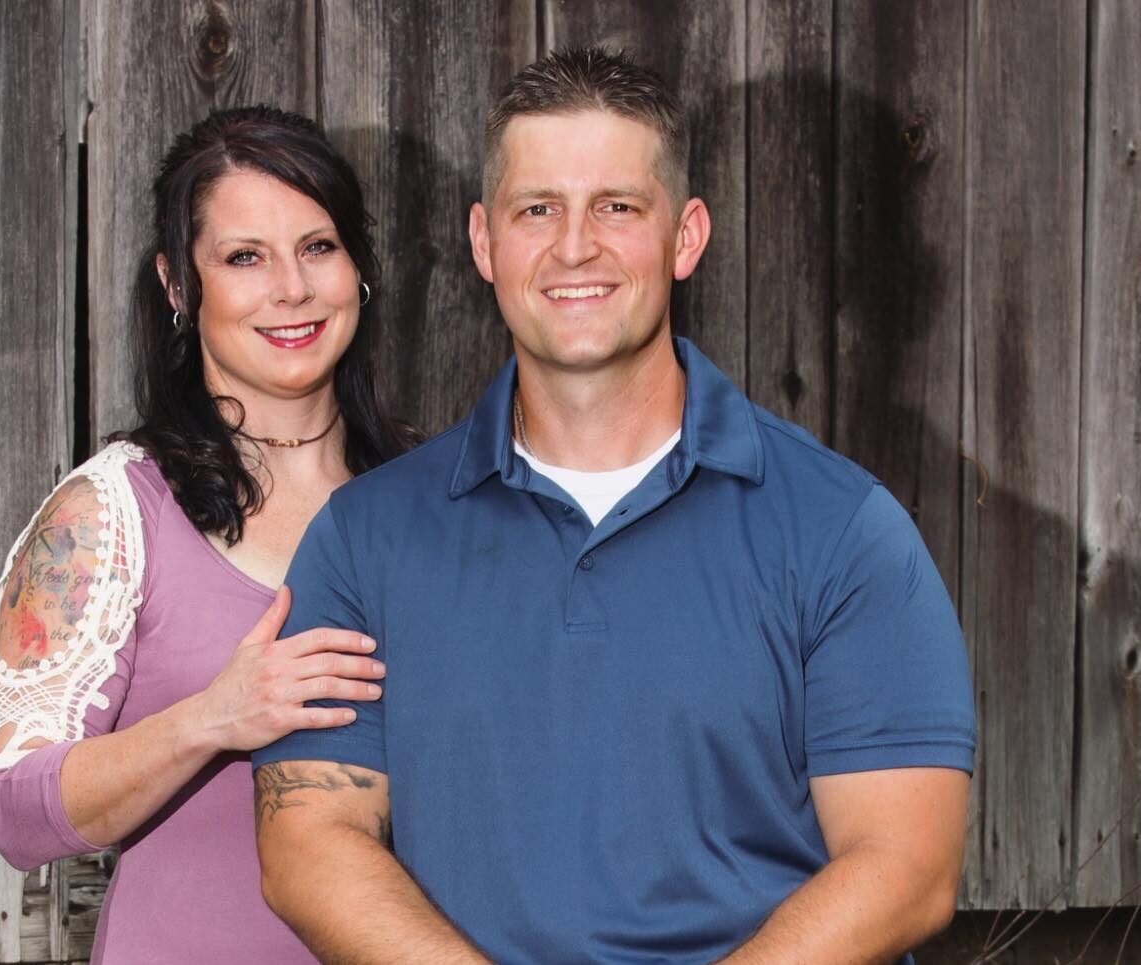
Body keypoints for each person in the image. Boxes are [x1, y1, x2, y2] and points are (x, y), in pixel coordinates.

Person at [251, 47, 976, 965]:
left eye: (617, 207)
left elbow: (907, 865)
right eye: (537, 209)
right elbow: (309, 844)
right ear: (484, 242)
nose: (574, 247)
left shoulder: (841, 529)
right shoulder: (366, 539)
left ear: (686, 236)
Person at [0, 106, 414, 963]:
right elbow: (14, 810)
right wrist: (213, 717)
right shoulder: (113, 510)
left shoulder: (432, 498)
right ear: (178, 285)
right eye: (245, 256)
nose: (292, 287)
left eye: (318, 246)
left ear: (358, 268)